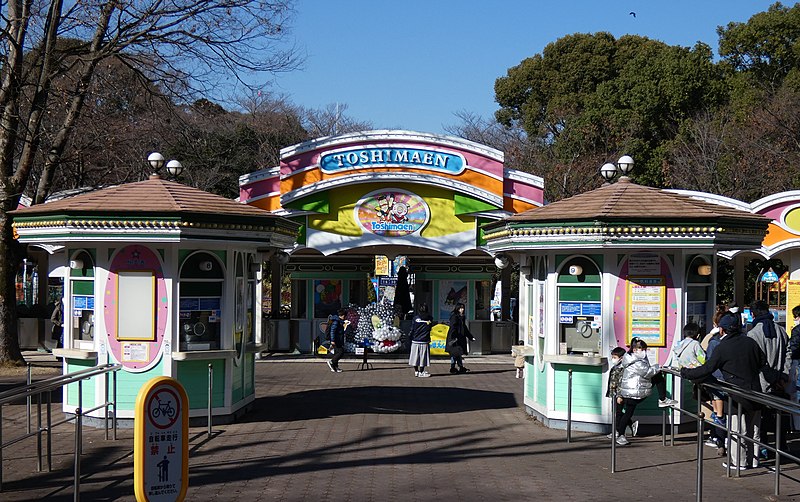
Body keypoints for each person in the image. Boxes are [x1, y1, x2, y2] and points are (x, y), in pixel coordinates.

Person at [682, 314, 766, 470]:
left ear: (722, 330)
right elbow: (763, 362)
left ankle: (738, 462)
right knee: (754, 429)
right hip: (755, 392)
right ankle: (753, 460)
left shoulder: (723, 347)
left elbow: (708, 369)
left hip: (735, 393)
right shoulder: (751, 342)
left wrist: (686, 372)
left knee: (737, 430)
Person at [747, 300, 791, 462]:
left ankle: (764, 447)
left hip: (762, 383)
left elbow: (756, 361)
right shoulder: (780, 330)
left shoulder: (753, 334)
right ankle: (782, 446)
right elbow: (788, 354)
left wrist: (769, 377)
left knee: (762, 417)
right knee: (779, 415)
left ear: (752, 314)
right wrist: (783, 376)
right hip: (780, 382)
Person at [614, 338, 661, 445]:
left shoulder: (631, 358)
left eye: (644, 349)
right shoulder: (636, 361)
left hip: (631, 389)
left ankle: (621, 432)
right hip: (633, 390)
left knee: (627, 412)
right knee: (627, 413)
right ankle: (620, 434)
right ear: (635, 350)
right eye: (641, 349)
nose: (644, 351)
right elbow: (647, 372)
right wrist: (658, 367)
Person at [447, 303, 475, 374]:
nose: (462, 309)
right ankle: (453, 367)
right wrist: (453, 337)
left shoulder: (462, 317)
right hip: (454, 339)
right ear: (457, 309)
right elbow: (453, 328)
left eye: (463, 308)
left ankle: (460, 367)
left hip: (459, 338)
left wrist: (470, 337)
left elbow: (464, 328)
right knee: (454, 353)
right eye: (460, 308)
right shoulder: (454, 317)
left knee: (458, 353)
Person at [408, 303, 434, 378]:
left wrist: (410, 337)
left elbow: (412, 329)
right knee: (423, 357)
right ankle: (421, 371)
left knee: (415, 357)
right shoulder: (430, 319)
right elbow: (429, 328)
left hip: (415, 340)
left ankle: (416, 371)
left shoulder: (415, 318)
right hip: (424, 340)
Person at [326, 308, 351, 373]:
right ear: (343, 315)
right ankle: (332, 362)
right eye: (345, 316)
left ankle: (335, 367)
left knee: (337, 353)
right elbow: (333, 331)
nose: (346, 317)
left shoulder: (338, 321)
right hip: (336, 340)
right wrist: (333, 340)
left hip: (338, 339)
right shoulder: (336, 322)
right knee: (340, 352)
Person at [789, 304, 800, 429]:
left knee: (797, 396)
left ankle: (797, 427)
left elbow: (794, 349)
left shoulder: (797, 331)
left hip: (798, 364)